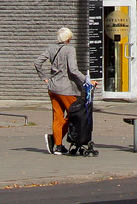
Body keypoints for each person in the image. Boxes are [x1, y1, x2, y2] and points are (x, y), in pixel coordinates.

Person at [34, 27, 97, 155]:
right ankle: (57, 141)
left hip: (52, 88)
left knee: (57, 117)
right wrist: (87, 81)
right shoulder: (70, 49)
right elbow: (73, 70)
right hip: (66, 89)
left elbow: (37, 62)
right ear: (69, 38)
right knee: (75, 115)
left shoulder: (51, 48)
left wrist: (44, 78)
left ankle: (57, 145)